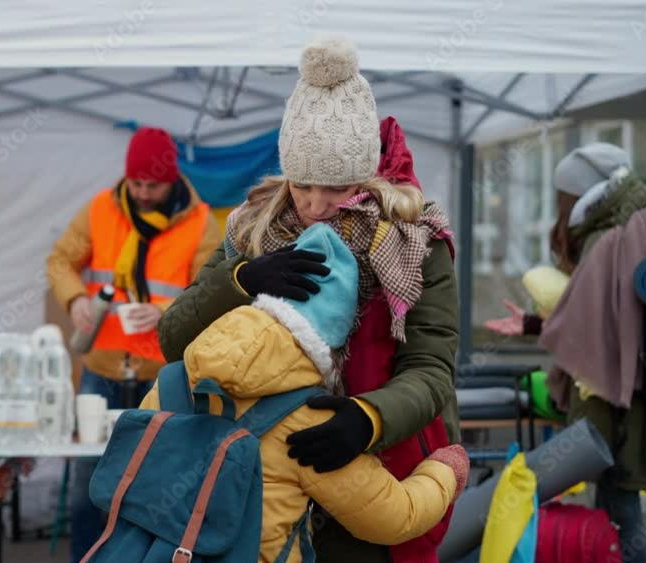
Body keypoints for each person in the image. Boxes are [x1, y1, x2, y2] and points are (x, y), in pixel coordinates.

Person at [157, 37, 460, 562]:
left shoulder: (414, 241)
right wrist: (242, 279)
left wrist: (370, 418)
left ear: (365, 176)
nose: (315, 206)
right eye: (302, 186)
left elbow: (431, 371)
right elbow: (172, 340)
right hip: (255, 490)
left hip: (372, 479)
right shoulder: (251, 231)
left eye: (335, 188)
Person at [138, 222, 469, 563]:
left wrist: (236, 281)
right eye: (304, 186)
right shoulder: (307, 417)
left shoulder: (172, 383)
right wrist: (445, 470)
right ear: (327, 345)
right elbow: (396, 516)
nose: (316, 203)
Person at [484, 143, 646, 563]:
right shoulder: (629, 226)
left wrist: (539, 326)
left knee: (622, 516)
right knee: (616, 512)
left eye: (562, 198)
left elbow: (594, 329)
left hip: (614, 404)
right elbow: (601, 321)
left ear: (579, 196)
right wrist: (535, 324)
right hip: (628, 394)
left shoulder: (608, 240)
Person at [46, 127, 221, 562]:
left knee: (160, 489)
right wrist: (76, 298)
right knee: (91, 488)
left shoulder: (201, 224)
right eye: (136, 183)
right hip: (101, 371)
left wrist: (166, 311)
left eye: (152, 185)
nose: (142, 193)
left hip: (162, 378)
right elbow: (60, 261)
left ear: (172, 180)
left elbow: (212, 293)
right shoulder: (101, 209)